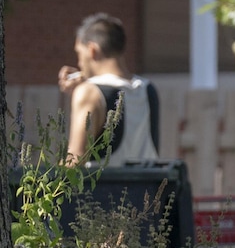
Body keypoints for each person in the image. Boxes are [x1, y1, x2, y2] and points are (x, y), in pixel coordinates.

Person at [58, 13, 160, 167]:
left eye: (79, 53)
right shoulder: (148, 89)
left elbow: (74, 162)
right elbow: (116, 90)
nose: (79, 62)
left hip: (104, 190)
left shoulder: (89, 92)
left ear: (92, 49)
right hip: (148, 190)